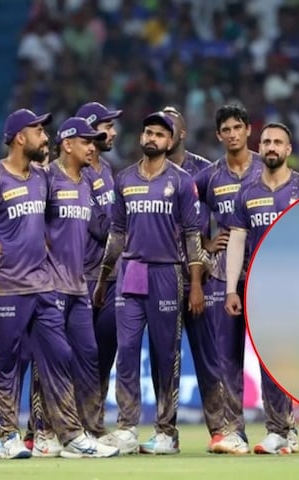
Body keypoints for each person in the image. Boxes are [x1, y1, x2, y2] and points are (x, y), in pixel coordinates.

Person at [0, 108, 119, 459]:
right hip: (8, 287)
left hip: (44, 285)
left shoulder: (42, 178)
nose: (45, 137)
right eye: (38, 131)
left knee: (60, 355)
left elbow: (52, 224)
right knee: (7, 361)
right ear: (20, 137)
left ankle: (70, 436)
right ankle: (5, 436)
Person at [93, 111, 207, 455]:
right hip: (131, 271)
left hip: (166, 272)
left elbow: (193, 236)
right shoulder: (124, 179)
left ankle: (166, 432)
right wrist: (103, 278)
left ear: (170, 141)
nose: (152, 138)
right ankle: (127, 428)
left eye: (159, 134)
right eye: (148, 132)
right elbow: (116, 233)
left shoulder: (182, 181)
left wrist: (196, 284)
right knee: (126, 351)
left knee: (166, 353)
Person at [225, 122, 299, 454]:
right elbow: (237, 240)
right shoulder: (247, 192)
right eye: (266, 142)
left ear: (289, 149)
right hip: (261, 289)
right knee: (270, 361)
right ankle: (279, 431)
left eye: (278, 142)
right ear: (259, 147)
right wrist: (231, 289)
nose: (272, 147)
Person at [194, 104, 264, 454]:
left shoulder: (267, 168)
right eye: (227, 129)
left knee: (273, 353)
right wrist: (205, 244)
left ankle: (287, 429)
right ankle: (233, 431)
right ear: (219, 135)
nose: (233, 134)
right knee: (226, 357)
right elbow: (189, 218)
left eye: (238, 127)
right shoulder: (208, 177)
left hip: (265, 271)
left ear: (248, 129)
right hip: (223, 276)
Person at [161, 106, 225, 450]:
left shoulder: (205, 171)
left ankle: (221, 430)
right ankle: (166, 432)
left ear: (182, 134)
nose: (164, 133)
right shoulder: (149, 171)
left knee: (208, 357)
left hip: (201, 277)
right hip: (164, 276)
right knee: (165, 358)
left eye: (170, 127)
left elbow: (228, 209)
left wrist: (211, 244)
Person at [75, 101, 123, 443]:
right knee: (76, 356)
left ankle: (93, 425)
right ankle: (54, 428)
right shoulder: (73, 174)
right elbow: (100, 227)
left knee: (105, 357)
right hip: (80, 278)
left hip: (111, 277)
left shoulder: (107, 169)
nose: (114, 132)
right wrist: (130, 228)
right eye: (108, 126)